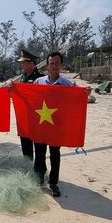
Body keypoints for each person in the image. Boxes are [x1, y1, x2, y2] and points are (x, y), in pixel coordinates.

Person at [33, 51, 75, 198]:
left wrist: (84, 93)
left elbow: (75, 102)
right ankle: (38, 180)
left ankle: (53, 183)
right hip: (40, 124)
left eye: (57, 63)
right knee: (39, 154)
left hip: (57, 126)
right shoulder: (38, 82)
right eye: (51, 63)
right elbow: (30, 99)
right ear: (47, 65)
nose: (54, 66)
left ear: (61, 65)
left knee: (55, 154)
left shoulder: (67, 84)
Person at [16, 49, 44, 160]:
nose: (21, 64)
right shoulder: (22, 77)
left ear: (32, 63)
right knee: (25, 144)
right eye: (21, 62)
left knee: (39, 146)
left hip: (38, 116)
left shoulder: (41, 78)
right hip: (24, 116)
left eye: (24, 62)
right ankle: (27, 166)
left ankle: (39, 171)